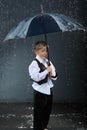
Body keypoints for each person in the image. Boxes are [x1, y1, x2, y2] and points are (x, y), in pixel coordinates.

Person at [28, 41, 57, 130]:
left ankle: (44, 127)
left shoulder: (48, 62)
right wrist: (46, 71)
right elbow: (36, 77)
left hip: (48, 91)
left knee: (47, 112)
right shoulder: (34, 64)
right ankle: (38, 128)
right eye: (42, 51)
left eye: (46, 51)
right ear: (36, 52)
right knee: (39, 114)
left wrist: (53, 74)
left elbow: (54, 76)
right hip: (40, 92)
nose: (45, 53)